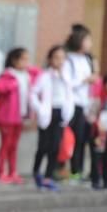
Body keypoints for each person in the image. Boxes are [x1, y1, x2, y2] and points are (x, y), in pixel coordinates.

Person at [30, 45, 74, 191]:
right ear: (50, 59)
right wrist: (40, 108)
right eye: (56, 58)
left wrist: (69, 112)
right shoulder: (44, 76)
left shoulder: (66, 77)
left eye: (62, 58)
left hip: (60, 113)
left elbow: (69, 96)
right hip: (47, 113)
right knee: (43, 145)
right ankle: (36, 172)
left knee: (55, 146)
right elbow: (33, 93)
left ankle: (48, 176)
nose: (59, 61)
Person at [0, 48, 36, 184]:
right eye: (23, 59)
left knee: (14, 146)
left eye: (27, 59)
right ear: (14, 60)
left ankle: (13, 172)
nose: (26, 62)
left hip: (20, 116)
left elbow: (39, 73)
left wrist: (29, 68)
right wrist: (12, 84)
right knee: (5, 145)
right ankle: (1, 172)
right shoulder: (8, 75)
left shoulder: (26, 75)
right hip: (7, 117)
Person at [62, 26, 98, 183]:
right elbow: (67, 82)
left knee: (82, 139)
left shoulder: (87, 59)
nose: (90, 43)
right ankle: (67, 169)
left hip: (84, 103)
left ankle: (78, 170)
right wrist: (84, 80)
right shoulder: (68, 59)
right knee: (71, 138)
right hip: (72, 103)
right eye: (87, 40)